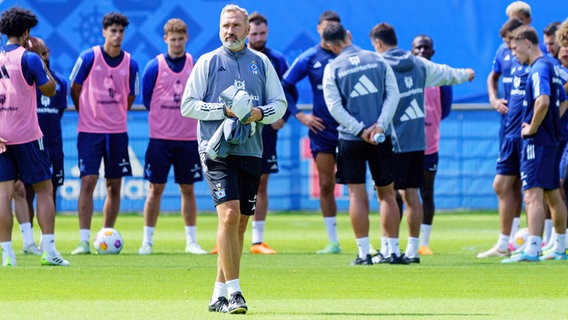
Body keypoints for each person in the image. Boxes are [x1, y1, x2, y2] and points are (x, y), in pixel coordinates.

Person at [180, 4, 286, 314]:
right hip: (217, 150)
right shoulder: (208, 61)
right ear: (219, 28)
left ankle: (217, 294)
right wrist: (223, 111)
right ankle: (235, 292)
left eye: (236, 26)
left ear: (247, 29)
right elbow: (188, 105)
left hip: (251, 149)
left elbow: (279, 104)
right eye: (226, 25)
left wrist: (258, 113)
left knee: (239, 223)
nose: (230, 30)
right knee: (227, 216)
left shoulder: (261, 62)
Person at [371, 23, 474, 263]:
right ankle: (413, 250)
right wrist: (466, 74)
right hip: (417, 139)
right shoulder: (418, 64)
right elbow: (448, 73)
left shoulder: (379, 64)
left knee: (386, 195)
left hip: (389, 137)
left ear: (378, 43)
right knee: (413, 195)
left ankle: (390, 250)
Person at [322, 23, 400, 265]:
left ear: (327, 45)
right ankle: (392, 251)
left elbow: (334, 107)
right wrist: (380, 125)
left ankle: (364, 253)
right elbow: (393, 94)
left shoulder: (332, 67)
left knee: (356, 194)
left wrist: (359, 130)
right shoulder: (377, 60)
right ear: (349, 35)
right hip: (380, 136)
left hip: (350, 138)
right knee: (387, 193)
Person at [0, 7, 69, 266]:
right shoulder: (29, 58)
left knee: (3, 195)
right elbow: (50, 90)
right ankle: (49, 251)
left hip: (2, 138)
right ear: (27, 31)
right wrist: (39, 57)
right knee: (45, 190)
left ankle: (7, 255)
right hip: (28, 135)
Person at [69, 11, 139, 255]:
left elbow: (131, 96)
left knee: (114, 186)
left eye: (121, 31)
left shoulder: (131, 63)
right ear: (104, 32)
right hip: (89, 131)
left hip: (117, 132)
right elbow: (74, 88)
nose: (117, 35)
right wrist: (87, 113)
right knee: (88, 181)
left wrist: (116, 116)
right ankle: (84, 241)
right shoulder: (89, 57)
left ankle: (106, 236)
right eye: (113, 31)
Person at [137, 19, 207, 255]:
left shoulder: (195, 65)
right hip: (160, 139)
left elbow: (202, 97)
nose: (176, 43)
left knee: (188, 190)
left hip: (188, 139)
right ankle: (147, 241)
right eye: (172, 39)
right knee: (155, 189)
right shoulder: (153, 67)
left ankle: (191, 242)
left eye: (180, 39)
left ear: (187, 38)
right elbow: (147, 100)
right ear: (165, 39)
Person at [502, 25, 568, 263]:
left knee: (531, 194)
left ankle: (531, 249)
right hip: (551, 140)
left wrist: (533, 127)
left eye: (515, 48)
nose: (513, 54)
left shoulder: (538, 68)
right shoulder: (551, 67)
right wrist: (553, 125)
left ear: (527, 44)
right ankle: (559, 248)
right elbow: (564, 101)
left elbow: (543, 101)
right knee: (552, 194)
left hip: (537, 142)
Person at [282, 10, 343, 254]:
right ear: (319, 29)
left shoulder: (352, 56)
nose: (330, 33)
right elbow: (283, 86)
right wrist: (300, 115)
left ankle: (370, 241)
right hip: (323, 130)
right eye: (327, 28)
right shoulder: (309, 58)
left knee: (361, 185)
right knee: (327, 184)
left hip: (352, 131)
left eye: (335, 29)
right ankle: (333, 241)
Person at [244, 11, 296, 255]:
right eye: (254, 33)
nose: (258, 37)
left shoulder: (277, 59)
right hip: (238, 129)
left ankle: (257, 241)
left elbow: (290, 91)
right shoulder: (236, 57)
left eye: (262, 33)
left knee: (261, 183)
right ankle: (227, 236)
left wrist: (283, 116)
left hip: (265, 132)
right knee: (232, 182)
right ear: (246, 33)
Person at [12, 36, 68, 255]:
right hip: (26, 141)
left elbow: (59, 112)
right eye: (37, 55)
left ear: (48, 52)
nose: (42, 58)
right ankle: (28, 240)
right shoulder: (21, 79)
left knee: (49, 189)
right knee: (22, 190)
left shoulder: (59, 83)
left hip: (52, 143)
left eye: (43, 54)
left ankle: (46, 242)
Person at [477, 18, 527, 259]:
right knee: (506, 185)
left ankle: (545, 241)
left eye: (511, 43)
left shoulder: (535, 63)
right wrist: (493, 99)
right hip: (509, 130)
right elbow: (492, 77)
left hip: (526, 133)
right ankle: (508, 241)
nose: (508, 48)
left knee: (537, 188)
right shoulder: (507, 54)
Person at [410, 35, 454, 255]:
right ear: (411, 51)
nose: (421, 51)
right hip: (405, 145)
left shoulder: (440, 78)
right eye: (418, 48)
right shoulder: (404, 75)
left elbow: (444, 110)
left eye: (426, 48)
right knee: (400, 194)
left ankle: (423, 243)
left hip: (429, 145)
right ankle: (394, 241)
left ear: (432, 52)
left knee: (426, 192)